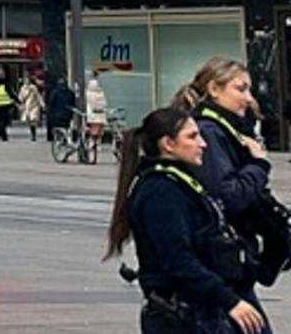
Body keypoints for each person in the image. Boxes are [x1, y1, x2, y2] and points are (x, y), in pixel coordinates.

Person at [107, 105, 267, 334]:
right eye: (192, 137)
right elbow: (177, 259)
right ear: (168, 144)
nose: (202, 143)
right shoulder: (161, 191)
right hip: (183, 315)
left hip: (196, 310)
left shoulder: (176, 182)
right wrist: (230, 300)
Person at [180, 57, 291, 287]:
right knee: (249, 322)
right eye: (241, 89)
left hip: (230, 258)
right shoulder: (209, 132)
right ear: (214, 89)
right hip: (221, 262)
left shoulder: (226, 129)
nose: (249, 99)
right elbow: (228, 195)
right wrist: (259, 165)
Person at [18, 70, 46, 144]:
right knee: (29, 121)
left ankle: (33, 135)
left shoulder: (34, 88)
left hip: (34, 106)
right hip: (27, 107)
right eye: (25, 80)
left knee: (33, 119)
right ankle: (32, 131)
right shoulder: (23, 88)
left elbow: (38, 96)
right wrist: (20, 102)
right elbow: (20, 97)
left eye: (27, 80)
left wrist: (42, 104)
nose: (26, 81)